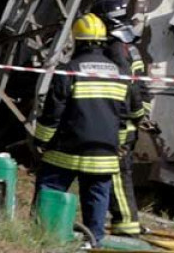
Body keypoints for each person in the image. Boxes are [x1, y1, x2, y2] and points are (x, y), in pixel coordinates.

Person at [32, 13, 137, 245]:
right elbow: (122, 117)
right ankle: (93, 242)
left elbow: (52, 115)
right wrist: (119, 145)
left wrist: (40, 141)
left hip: (65, 153)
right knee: (97, 196)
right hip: (103, 155)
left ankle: (43, 237)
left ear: (77, 41)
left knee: (50, 189)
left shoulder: (69, 71)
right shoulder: (120, 75)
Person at [90, 0, 155, 236]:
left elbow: (127, 86)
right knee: (121, 171)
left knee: (117, 173)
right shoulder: (129, 44)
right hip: (130, 118)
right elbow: (141, 86)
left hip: (121, 121)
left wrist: (134, 115)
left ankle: (126, 223)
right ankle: (127, 221)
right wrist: (141, 114)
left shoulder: (114, 48)